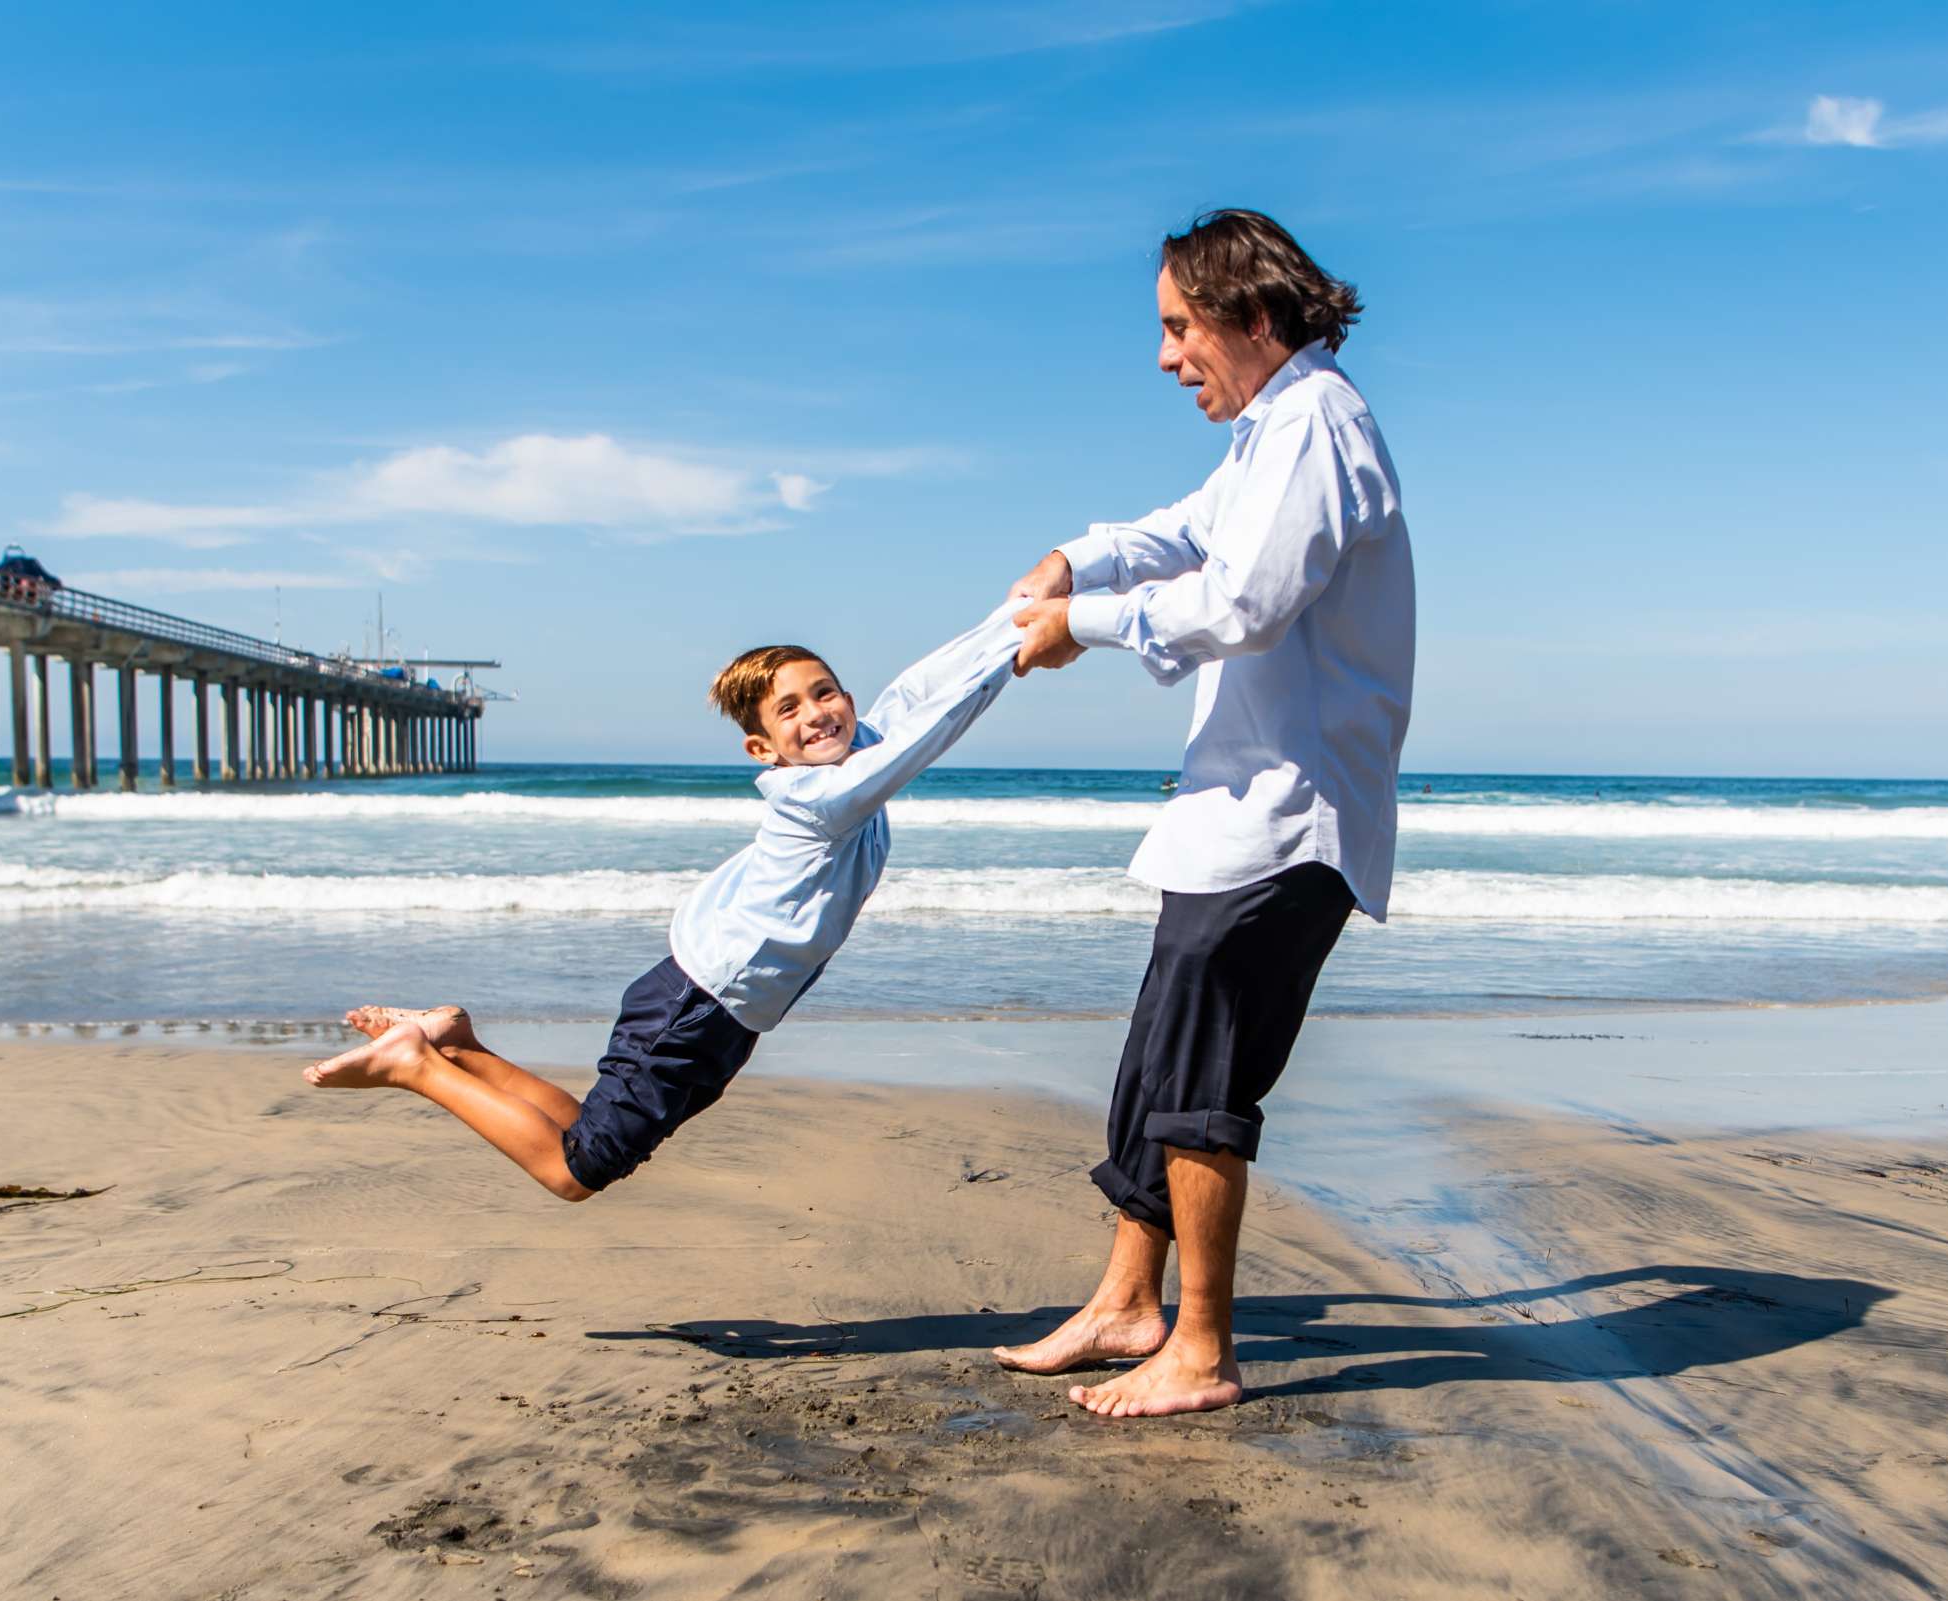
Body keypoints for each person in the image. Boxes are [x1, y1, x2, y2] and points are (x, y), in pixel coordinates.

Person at [999, 209, 1415, 1418]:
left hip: (1290, 816)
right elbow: (1185, 531)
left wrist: (1084, 622)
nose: (1170, 355)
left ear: (1256, 316)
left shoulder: (1320, 424)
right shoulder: (1265, 436)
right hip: (1230, 809)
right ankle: (1128, 1301)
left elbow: (1241, 600)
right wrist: (1082, 559)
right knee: (1155, 1060)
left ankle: (1204, 1345)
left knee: (1204, 1077)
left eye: (1182, 327)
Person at [303, 605, 1022, 1199]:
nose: (818, 714)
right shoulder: (823, 794)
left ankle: (458, 1043)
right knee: (575, 1171)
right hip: (699, 1002)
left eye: (826, 691)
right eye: (790, 709)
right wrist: (1026, 650)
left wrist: (1017, 619)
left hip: (721, 1009)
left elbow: (920, 690)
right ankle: (415, 1065)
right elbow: (931, 731)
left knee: (590, 1135)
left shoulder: (855, 755)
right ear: (761, 748)